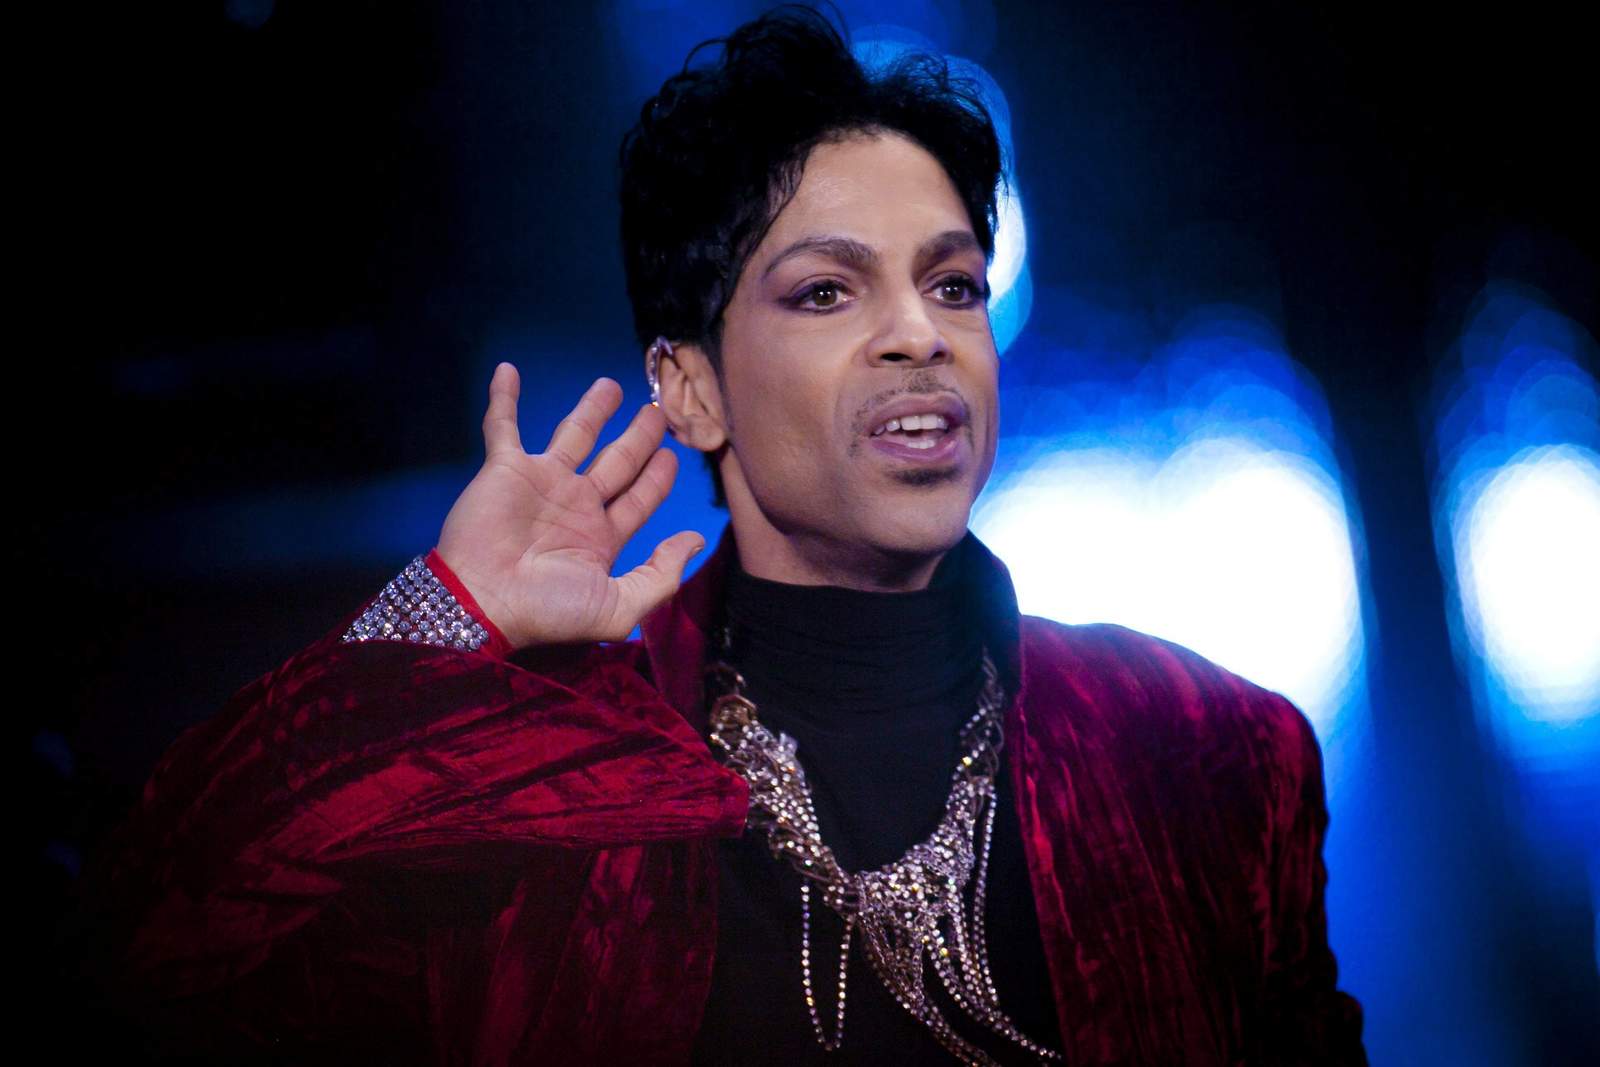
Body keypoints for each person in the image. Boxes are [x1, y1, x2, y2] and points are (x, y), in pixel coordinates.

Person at [82, 8, 1367, 1064]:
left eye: (952, 283)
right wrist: (438, 623)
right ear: (690, 387)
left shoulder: (1202, 749)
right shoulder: (553, 797)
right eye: (826, 290)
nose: (917, 334)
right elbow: (152, 946)